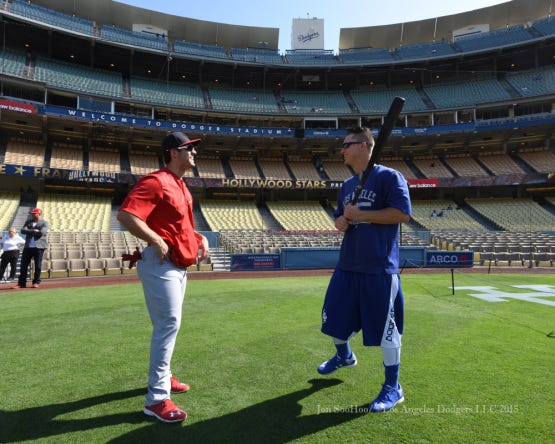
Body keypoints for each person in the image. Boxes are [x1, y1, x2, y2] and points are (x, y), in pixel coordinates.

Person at [317, 126, 411, 413]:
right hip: (347, 266)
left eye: (347, 144)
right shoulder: (346, 186)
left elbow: (402, 213)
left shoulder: (389, 177)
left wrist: (362, 214)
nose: (342, 150)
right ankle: (344, 356)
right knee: (333, 318)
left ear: (365, 146)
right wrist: (341, 222)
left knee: (387, 331)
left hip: (379, 269)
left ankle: (393, 387)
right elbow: (338, 218)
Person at [117, 131, 209, 424]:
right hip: (160, 264)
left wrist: (199, 237)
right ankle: (156, 400)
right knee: (167, 325)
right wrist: (155, 239)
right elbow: (127, 215)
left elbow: (179, 226)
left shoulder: (181, 185)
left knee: (171, 325)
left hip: (177, 266)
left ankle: (166, 378)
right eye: (188, 149)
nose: (193, 153)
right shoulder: (156, 180)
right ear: (172, 152)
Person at [15, 208, 49, 289]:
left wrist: (29, 230)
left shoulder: (44, 223)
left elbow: (41, 233)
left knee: (38, 266)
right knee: (23, 266)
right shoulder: (28, 221)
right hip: (28, 247)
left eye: (34, 213)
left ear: (39, 214)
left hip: (39, 247)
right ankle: (21, 283)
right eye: (32, 213)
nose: (32, 215)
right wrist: (34, 230)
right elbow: (22, 231)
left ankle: (36, 282)